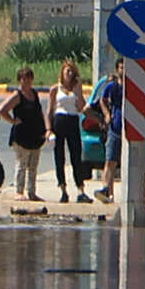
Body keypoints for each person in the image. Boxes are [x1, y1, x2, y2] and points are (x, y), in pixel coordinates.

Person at [0, 67, 48, 202]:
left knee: (33, 165)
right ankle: (19, 191)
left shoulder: (34, 94)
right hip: (21, 135)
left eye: (29, 78)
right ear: (20, 80)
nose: (27, 81)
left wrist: (45, 129)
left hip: (35, 135)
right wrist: (12, 121)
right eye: (24, 78)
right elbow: (2, 110)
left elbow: (40, 112)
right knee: (22, 164)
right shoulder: (17, 95)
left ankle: (32, 192)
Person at [49, 60, 88, 202]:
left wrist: (78, 92)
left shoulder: (76, 88)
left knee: (76, 155)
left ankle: (80, 189)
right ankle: (63, 189)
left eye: (72, 72)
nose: (69, 74)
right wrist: (48, 129)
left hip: (72, 120)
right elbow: (49, 111)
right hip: (59, 120)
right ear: (62, 73)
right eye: (67, 71)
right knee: (59, 156)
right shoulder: (55, 89)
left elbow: (81, 107)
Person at [88, 67, 122, 201]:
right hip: (114, 128)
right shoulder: (111, 87)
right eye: (121, 67)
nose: (123, 69)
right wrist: (107, 115)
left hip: (130, 130)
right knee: (110, 161)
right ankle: (107, 191)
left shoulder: (134, 86)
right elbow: (102, 100)